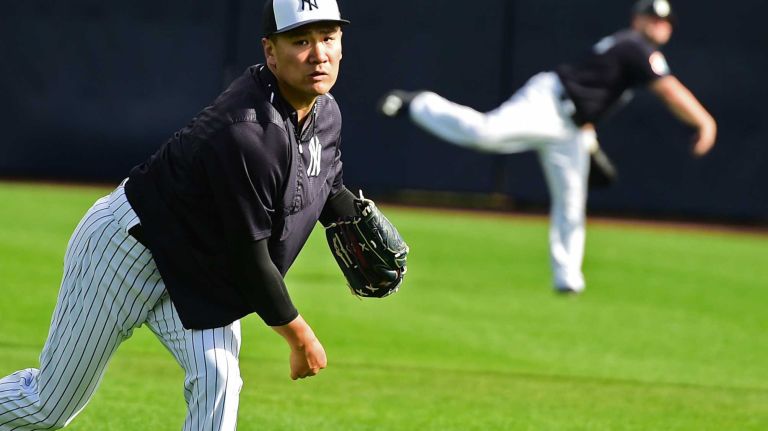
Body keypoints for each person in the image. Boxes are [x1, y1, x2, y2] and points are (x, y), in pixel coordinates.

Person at [0, 0, 359, 429]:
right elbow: (249, 259)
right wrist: (299, 336)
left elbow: (326, 185)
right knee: (48, 407)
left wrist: (357, 219)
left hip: (198, 269)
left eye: (328, 38)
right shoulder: (247, 131)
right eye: (301, 40)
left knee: (218, 379)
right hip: (125, 253)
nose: (319, 53)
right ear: (270, 51)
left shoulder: (325, 113)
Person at [378, 0, 717, 294]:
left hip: (572, 128)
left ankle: (568, 277)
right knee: (486, 133)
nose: (656, 24)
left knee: (571, 203)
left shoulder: (631, 52)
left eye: (663, 21)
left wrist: (589, 136)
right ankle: (419, 103)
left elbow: (598, 91)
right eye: (651, 17)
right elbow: (670, 91)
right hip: (549, 104)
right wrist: (705, 121)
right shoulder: (635, 47)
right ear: (637, 20)